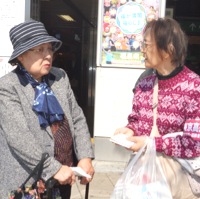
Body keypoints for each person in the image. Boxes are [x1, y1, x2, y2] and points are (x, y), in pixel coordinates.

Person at [0, 20, 95, 199]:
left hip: (64, 176)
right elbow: (19, 138)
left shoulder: (59, 77)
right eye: (39, 50)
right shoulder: (7, 87)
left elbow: (77, 117)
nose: (48, 55)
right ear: (21, 56)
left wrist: (84, 156)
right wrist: (53, 168)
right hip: (27, 182)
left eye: (49, 49)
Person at [113, 18, 200, 199]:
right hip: (144, 180)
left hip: (178, 181)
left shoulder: (194, 87)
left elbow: (194, 144)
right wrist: (129, 131)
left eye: (146, 45)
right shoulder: (144, 84)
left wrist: (151, 143)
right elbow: (136, 119)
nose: (142, 50)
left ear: (168, 49)